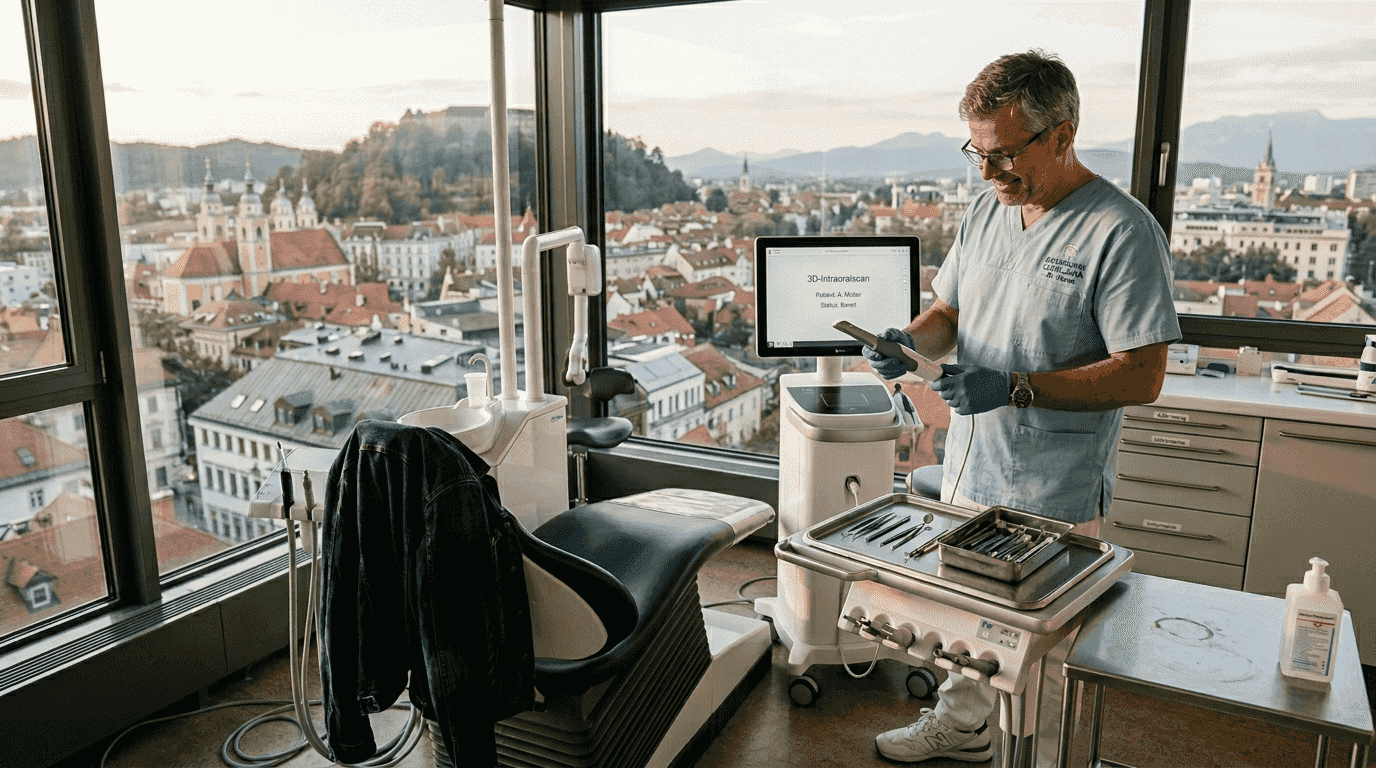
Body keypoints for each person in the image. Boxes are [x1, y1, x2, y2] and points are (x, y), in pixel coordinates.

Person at [862, 50, 1180, 764]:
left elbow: (1143, 373)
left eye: (1004, 154)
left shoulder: (1121, 232)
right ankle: (963, 725)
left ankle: (1045, 755)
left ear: (1062, 135)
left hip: (1054, 487)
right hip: (973, 465)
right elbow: (949, 310)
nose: (987, 172)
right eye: (977, 152)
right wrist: (907, 342)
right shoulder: (986, 211)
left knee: (1040, 651)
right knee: (968, 623)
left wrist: (1014, 386)